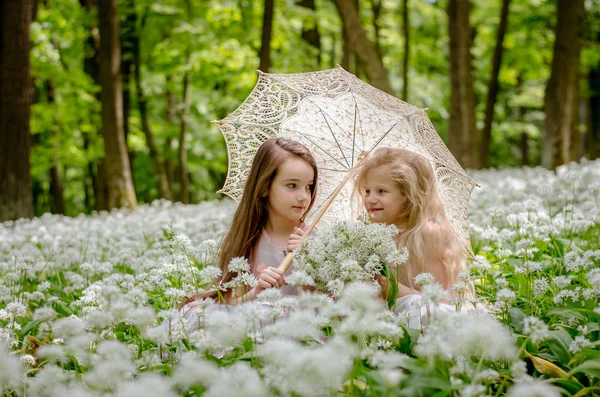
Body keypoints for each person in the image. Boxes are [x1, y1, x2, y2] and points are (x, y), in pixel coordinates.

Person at [182, 137, 317, 307]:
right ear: (264, 187)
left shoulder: (316, 241)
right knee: (193, 311)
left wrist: (309, 262)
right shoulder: (248, 238)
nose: (303, 197)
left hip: (301, 326)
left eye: (309, 186)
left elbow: (326, 306)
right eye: (292, 185)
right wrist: (256, 291)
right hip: (255, 322)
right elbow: (228, 301)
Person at [354, 147, 473, 319]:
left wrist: (388, 286)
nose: (370, 199)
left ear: (408, 195)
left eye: (381, 191)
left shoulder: (427, 233)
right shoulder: (376, 234)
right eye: (367, 191)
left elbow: (438, 302)